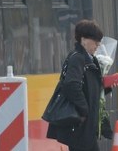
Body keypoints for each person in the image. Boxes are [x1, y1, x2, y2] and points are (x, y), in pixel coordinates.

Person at [46, 20, 110, 151]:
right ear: (84, 39)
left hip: (87, 124)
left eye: (99, 40)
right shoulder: (77, 58)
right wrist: (85, 109)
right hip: (80, 124)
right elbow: (71, 85)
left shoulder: (91, 59)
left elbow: (91, 87)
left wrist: (107, 86)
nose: (98, 44)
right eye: (95, 40)